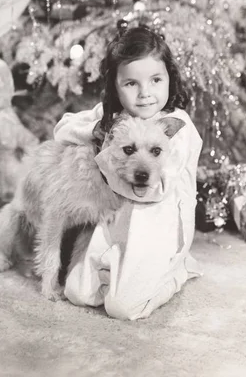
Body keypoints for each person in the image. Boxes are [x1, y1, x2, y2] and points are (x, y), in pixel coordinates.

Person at [54, 25, 203, 320]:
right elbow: (62, 130)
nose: (145, 93)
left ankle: (176, 272)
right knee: (76, 292)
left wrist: (107, 156)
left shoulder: (177, 126)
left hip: (158, 228)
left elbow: (154, 187)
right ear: (116, 87)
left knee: (122, 308)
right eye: (131, 84)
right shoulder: (116, 117)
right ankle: (117, 270)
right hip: (114, 222)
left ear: (169, 80)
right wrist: (96, 130)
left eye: (156, 80)